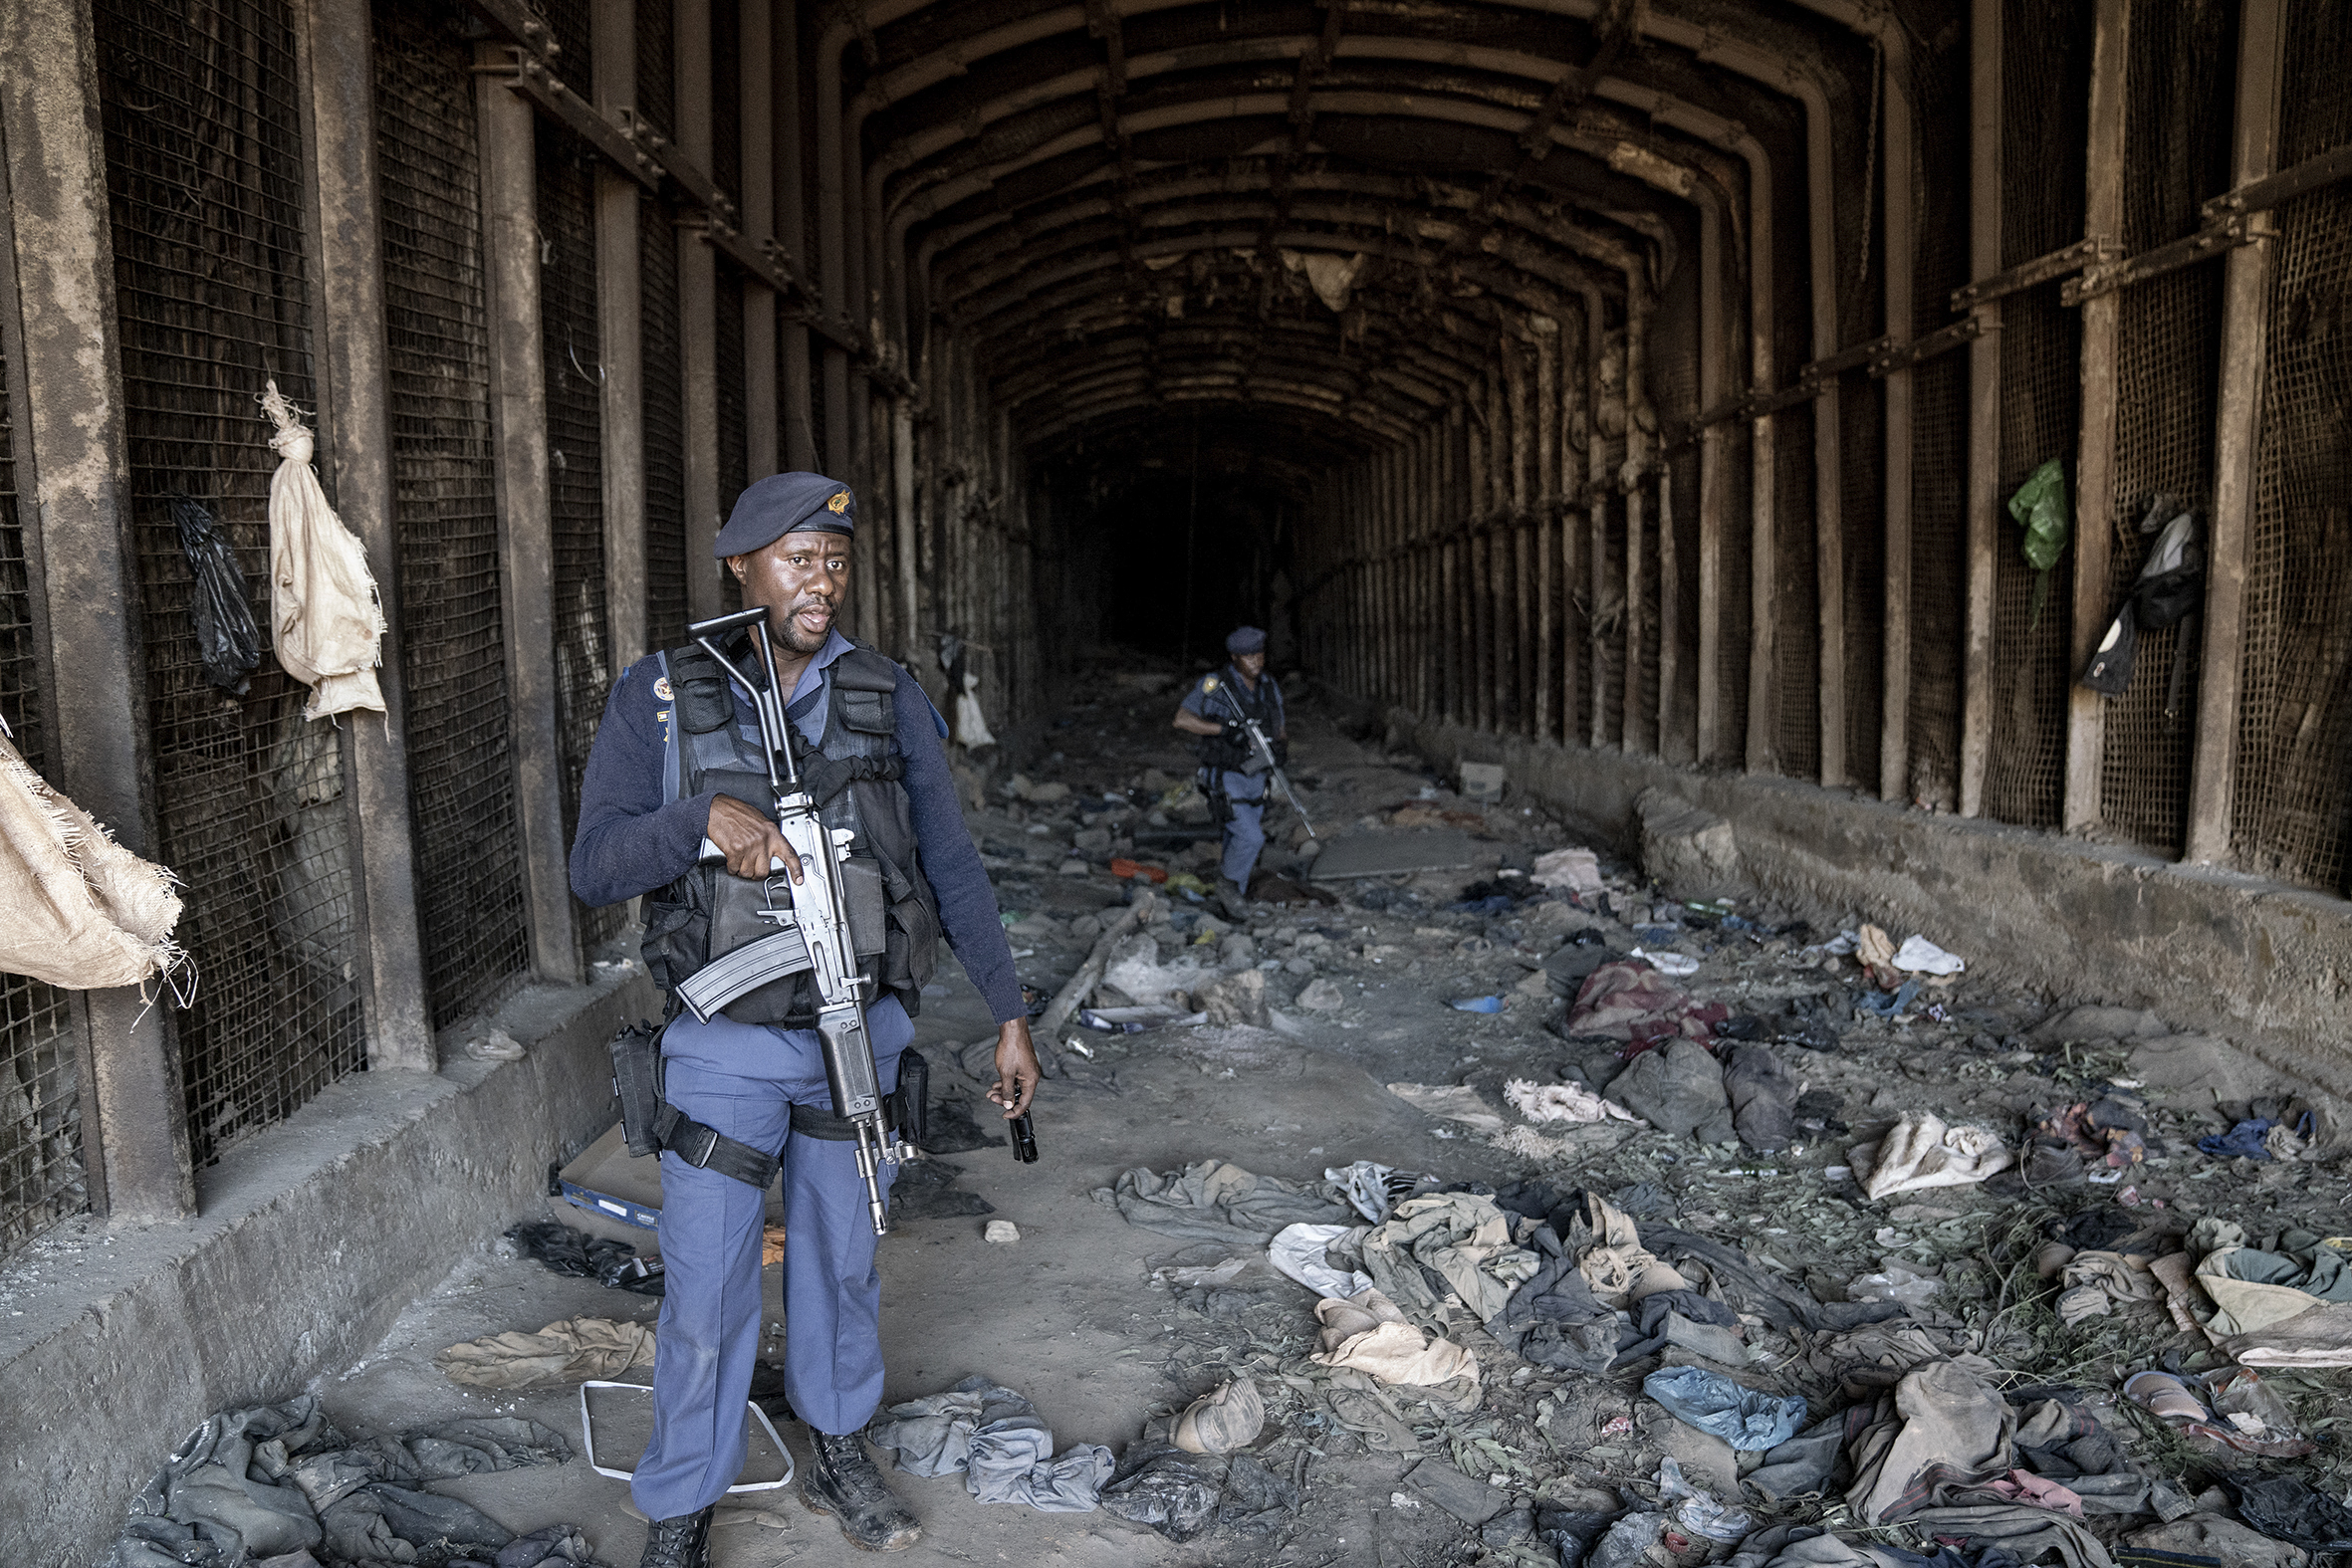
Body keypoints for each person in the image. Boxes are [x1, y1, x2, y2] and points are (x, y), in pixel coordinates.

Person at [570, 472, 1042, 1567]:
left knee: (841, 1266)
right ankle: (682, 1501)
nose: (820, 580)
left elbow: (952, 864)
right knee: (707, 1285)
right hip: (724, 1050)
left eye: (834, 560)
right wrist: (697, 821)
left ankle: (836, 1449)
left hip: (857, 1039)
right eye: (795, 559)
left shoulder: (886, 694)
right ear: (740, 568)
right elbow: (595, 866)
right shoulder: (657, 696)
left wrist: (1010, 1015)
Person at [1171, 625, 1288, 919]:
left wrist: (1281, 749)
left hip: (1257, 775)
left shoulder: (1268, 686)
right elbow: (1182, 720)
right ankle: (1228, 886)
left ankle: (1230, 907)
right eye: (1248, 658)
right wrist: (1224, 730)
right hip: (1227, 776)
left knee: (1235, 838)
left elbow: (1279, 727)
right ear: (1234, 658)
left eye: (1259, 656)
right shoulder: (1215, 685)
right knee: (1251, 837)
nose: (1255, 663)